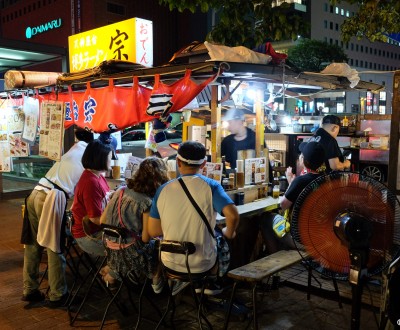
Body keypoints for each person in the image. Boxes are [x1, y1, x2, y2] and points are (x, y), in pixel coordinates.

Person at [148, 141, 240, 295]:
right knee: (221, 238)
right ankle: (211, 281)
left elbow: (153, 231)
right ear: (204, 164)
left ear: (178, 162)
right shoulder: (212, 186)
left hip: (170, 262)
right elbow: (233, 215)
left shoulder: (163, 189)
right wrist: (229, 232)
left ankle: (165, 281)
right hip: (203, 264)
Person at [21, 128, 94, 307]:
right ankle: (58, 294)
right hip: (51, 198)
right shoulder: (90, 156)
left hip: (36, 192)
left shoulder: (74, 149)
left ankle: (29, 289)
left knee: (33, 245)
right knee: (55, 245)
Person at [99, 157, 169, 293]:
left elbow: (102, 221)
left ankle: (113, 271)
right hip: (131, 254)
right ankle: (156, 281)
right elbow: (145, 239)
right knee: (161, 245)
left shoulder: (121, 191)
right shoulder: (147, 202)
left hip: (111, 250)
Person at [261, 141, 326, 255]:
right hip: (320, 238)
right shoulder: (326, 180)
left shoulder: (300, 181)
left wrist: (291, 183)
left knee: (266, 219)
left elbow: (283, 206)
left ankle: (275, 258)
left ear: (303, 159)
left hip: (299, 239)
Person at [71, 139, 112, 257]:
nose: (111, 161)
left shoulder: (98, 176)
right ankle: (110, 273)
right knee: (129, 247)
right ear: (100, 159)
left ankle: (110, 270)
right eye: (109, 158)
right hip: (89, 236)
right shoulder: (90, 182)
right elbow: (95, 219)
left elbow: (105, 196)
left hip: (96, 230)